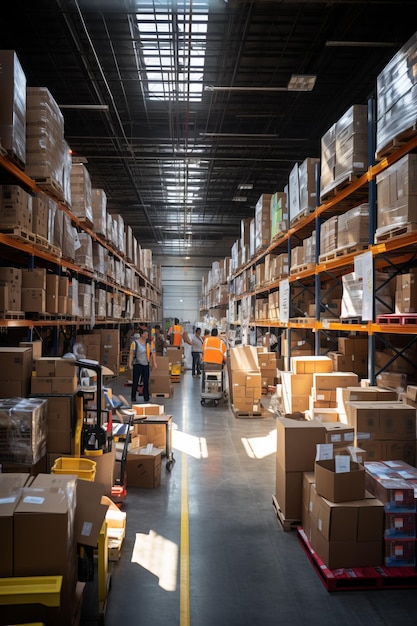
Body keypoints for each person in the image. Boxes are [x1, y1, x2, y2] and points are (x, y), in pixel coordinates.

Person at [128, 327, 157, 403]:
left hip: (146, 365)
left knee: (146, 381)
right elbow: (131, 354)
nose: (147, 335)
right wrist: (130, 364)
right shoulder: (135, 343)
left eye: (147, 333)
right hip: (137, 364)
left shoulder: (149, 343)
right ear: (141, 334)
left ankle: (146, 397)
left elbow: (153, 353)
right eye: (145, 333)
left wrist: (154, 363)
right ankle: (133, 396)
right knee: (135, 381)